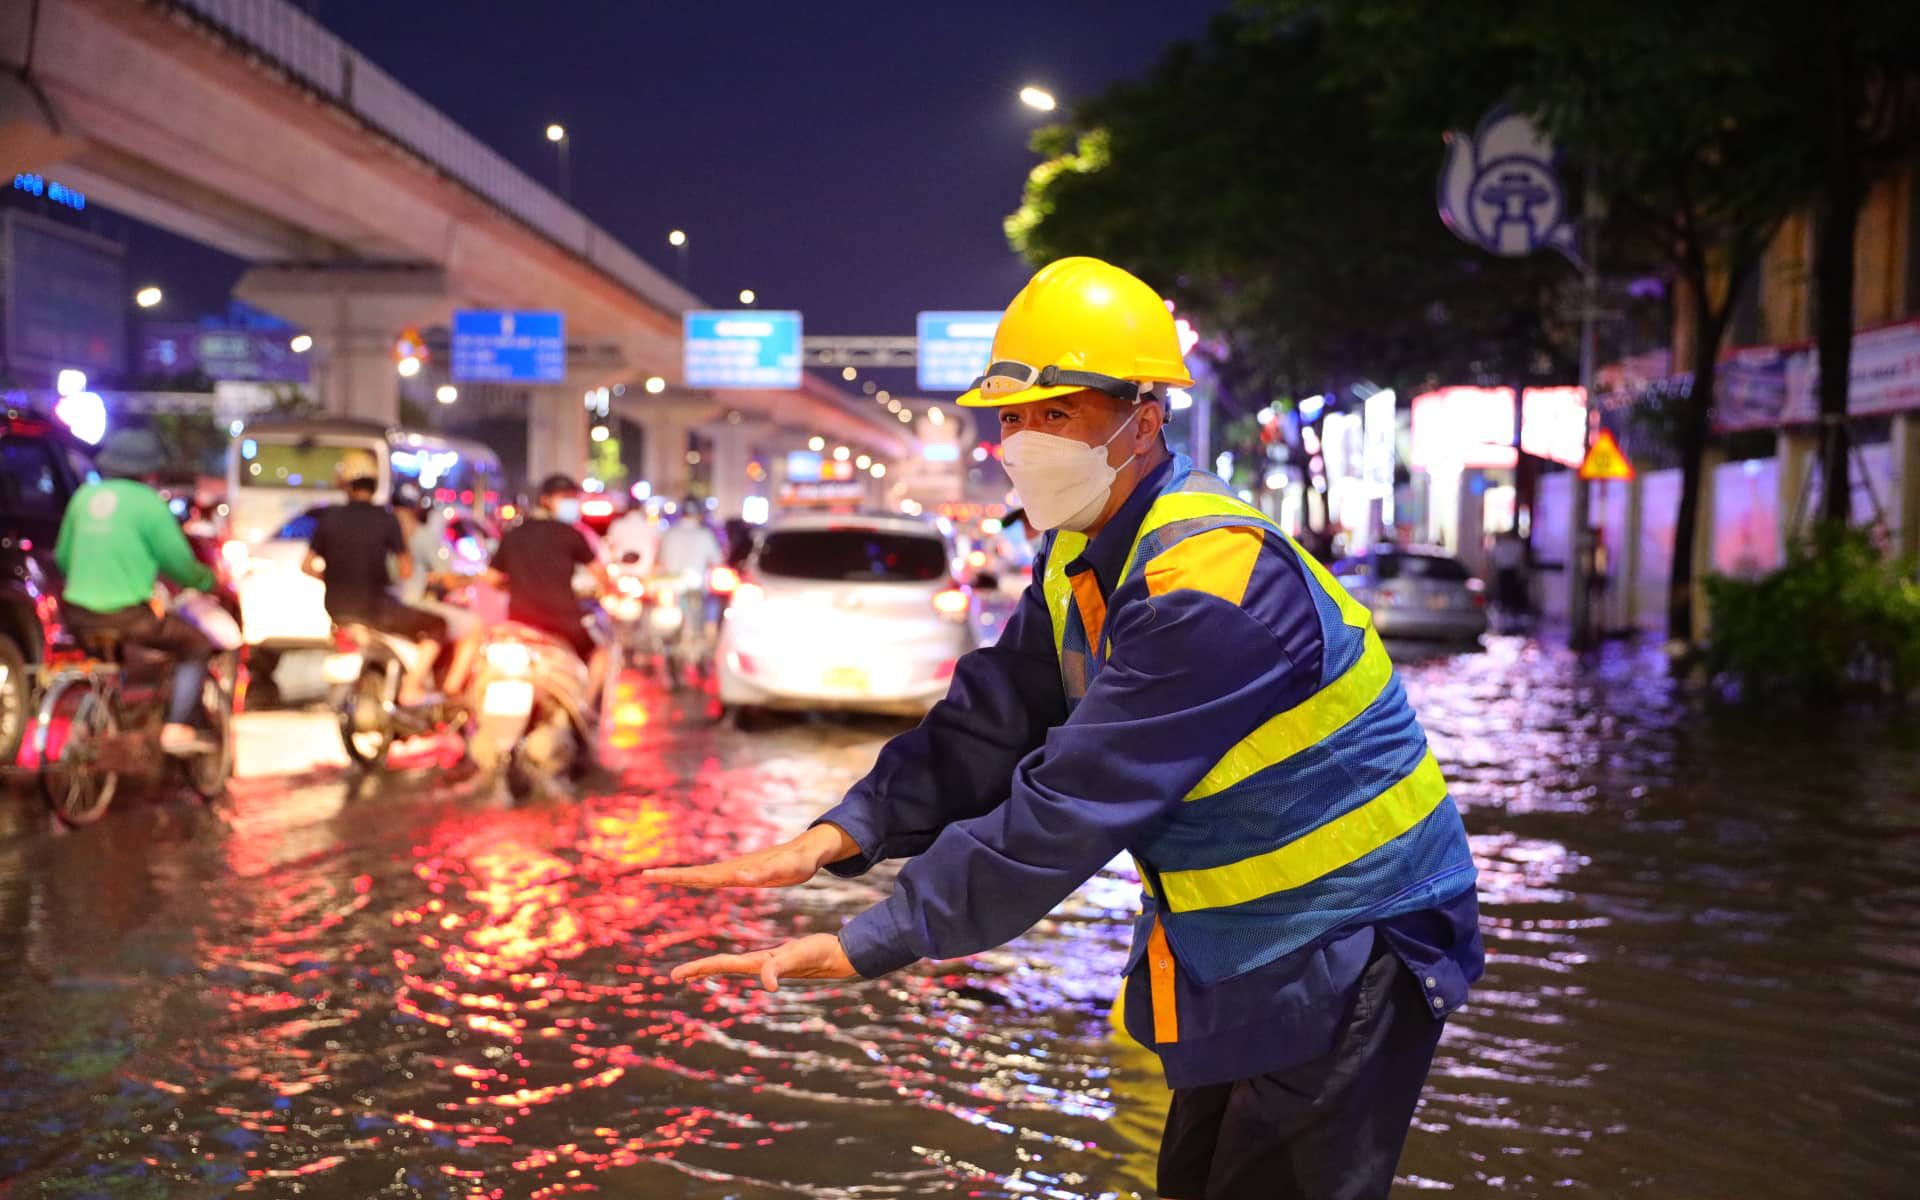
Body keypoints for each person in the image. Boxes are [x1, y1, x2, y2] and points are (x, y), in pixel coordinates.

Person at [644, 257, 1483, 1200]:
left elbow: (1078, 797)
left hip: (1359, 933)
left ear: (1144, 420)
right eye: (1011, 417)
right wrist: (842, 834)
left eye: (1057, 414)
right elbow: (992, 718)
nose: (1024, 440)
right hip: (1245, 940)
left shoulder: (1210, 584)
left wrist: (881, 935)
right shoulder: (1080, 554)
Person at [54, 428, 221, 756]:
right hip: (128, 616)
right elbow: (180, 565)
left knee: (107, 664)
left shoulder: (83, 497)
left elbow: (62, 557)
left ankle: (90, 726)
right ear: (150, 470)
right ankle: (176, 727)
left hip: (76, 613)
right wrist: (209, 582)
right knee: (195, 644)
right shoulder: (149, 504)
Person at [303, 452, 445, 704]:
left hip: (336, 612)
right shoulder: (386, 519)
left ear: (345, 484)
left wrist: (335, 576)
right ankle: (412, 688)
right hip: (376, 611)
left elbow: (307, 566)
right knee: (438, 626)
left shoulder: (329, 518)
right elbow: (406, 570)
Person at [489, 474, 612, 699]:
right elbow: (600, 575)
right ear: (546, 500)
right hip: (562, 623)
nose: (572, 503)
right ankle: (586, 706)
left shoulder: (513, 533)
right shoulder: (571, 534)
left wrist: (516, 583)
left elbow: (492, 578)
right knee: (601, 652)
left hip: (518, 623)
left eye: (573, 498)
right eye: (566, 497)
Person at [393, 484, 482, 693]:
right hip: (411, 606)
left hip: (383, 605)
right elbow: (449, 579)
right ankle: (448, 691)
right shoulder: (422, 535)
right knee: (473, 626)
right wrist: (475, 578)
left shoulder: (383, 531)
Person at [604, 502, 660, 572]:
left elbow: (610, 545)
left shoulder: (617, 524)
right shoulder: (650, 526)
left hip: (621, 567)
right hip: (644, 568)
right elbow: (656, 546)